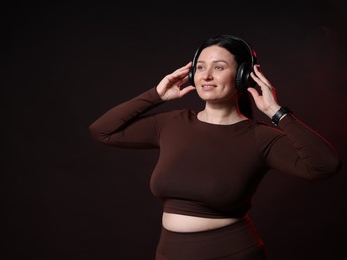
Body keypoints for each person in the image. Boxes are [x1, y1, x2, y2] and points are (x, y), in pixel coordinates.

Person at [88, 35, 342, 259]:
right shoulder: (172, 123)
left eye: (218, 67)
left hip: (232, 253)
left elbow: (324, 166)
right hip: (169, 253)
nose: (206, 76)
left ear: (243, 76)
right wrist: (156, 94)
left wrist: (277, 112)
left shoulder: (259, 137)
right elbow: (103, 131)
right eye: (200, 68)